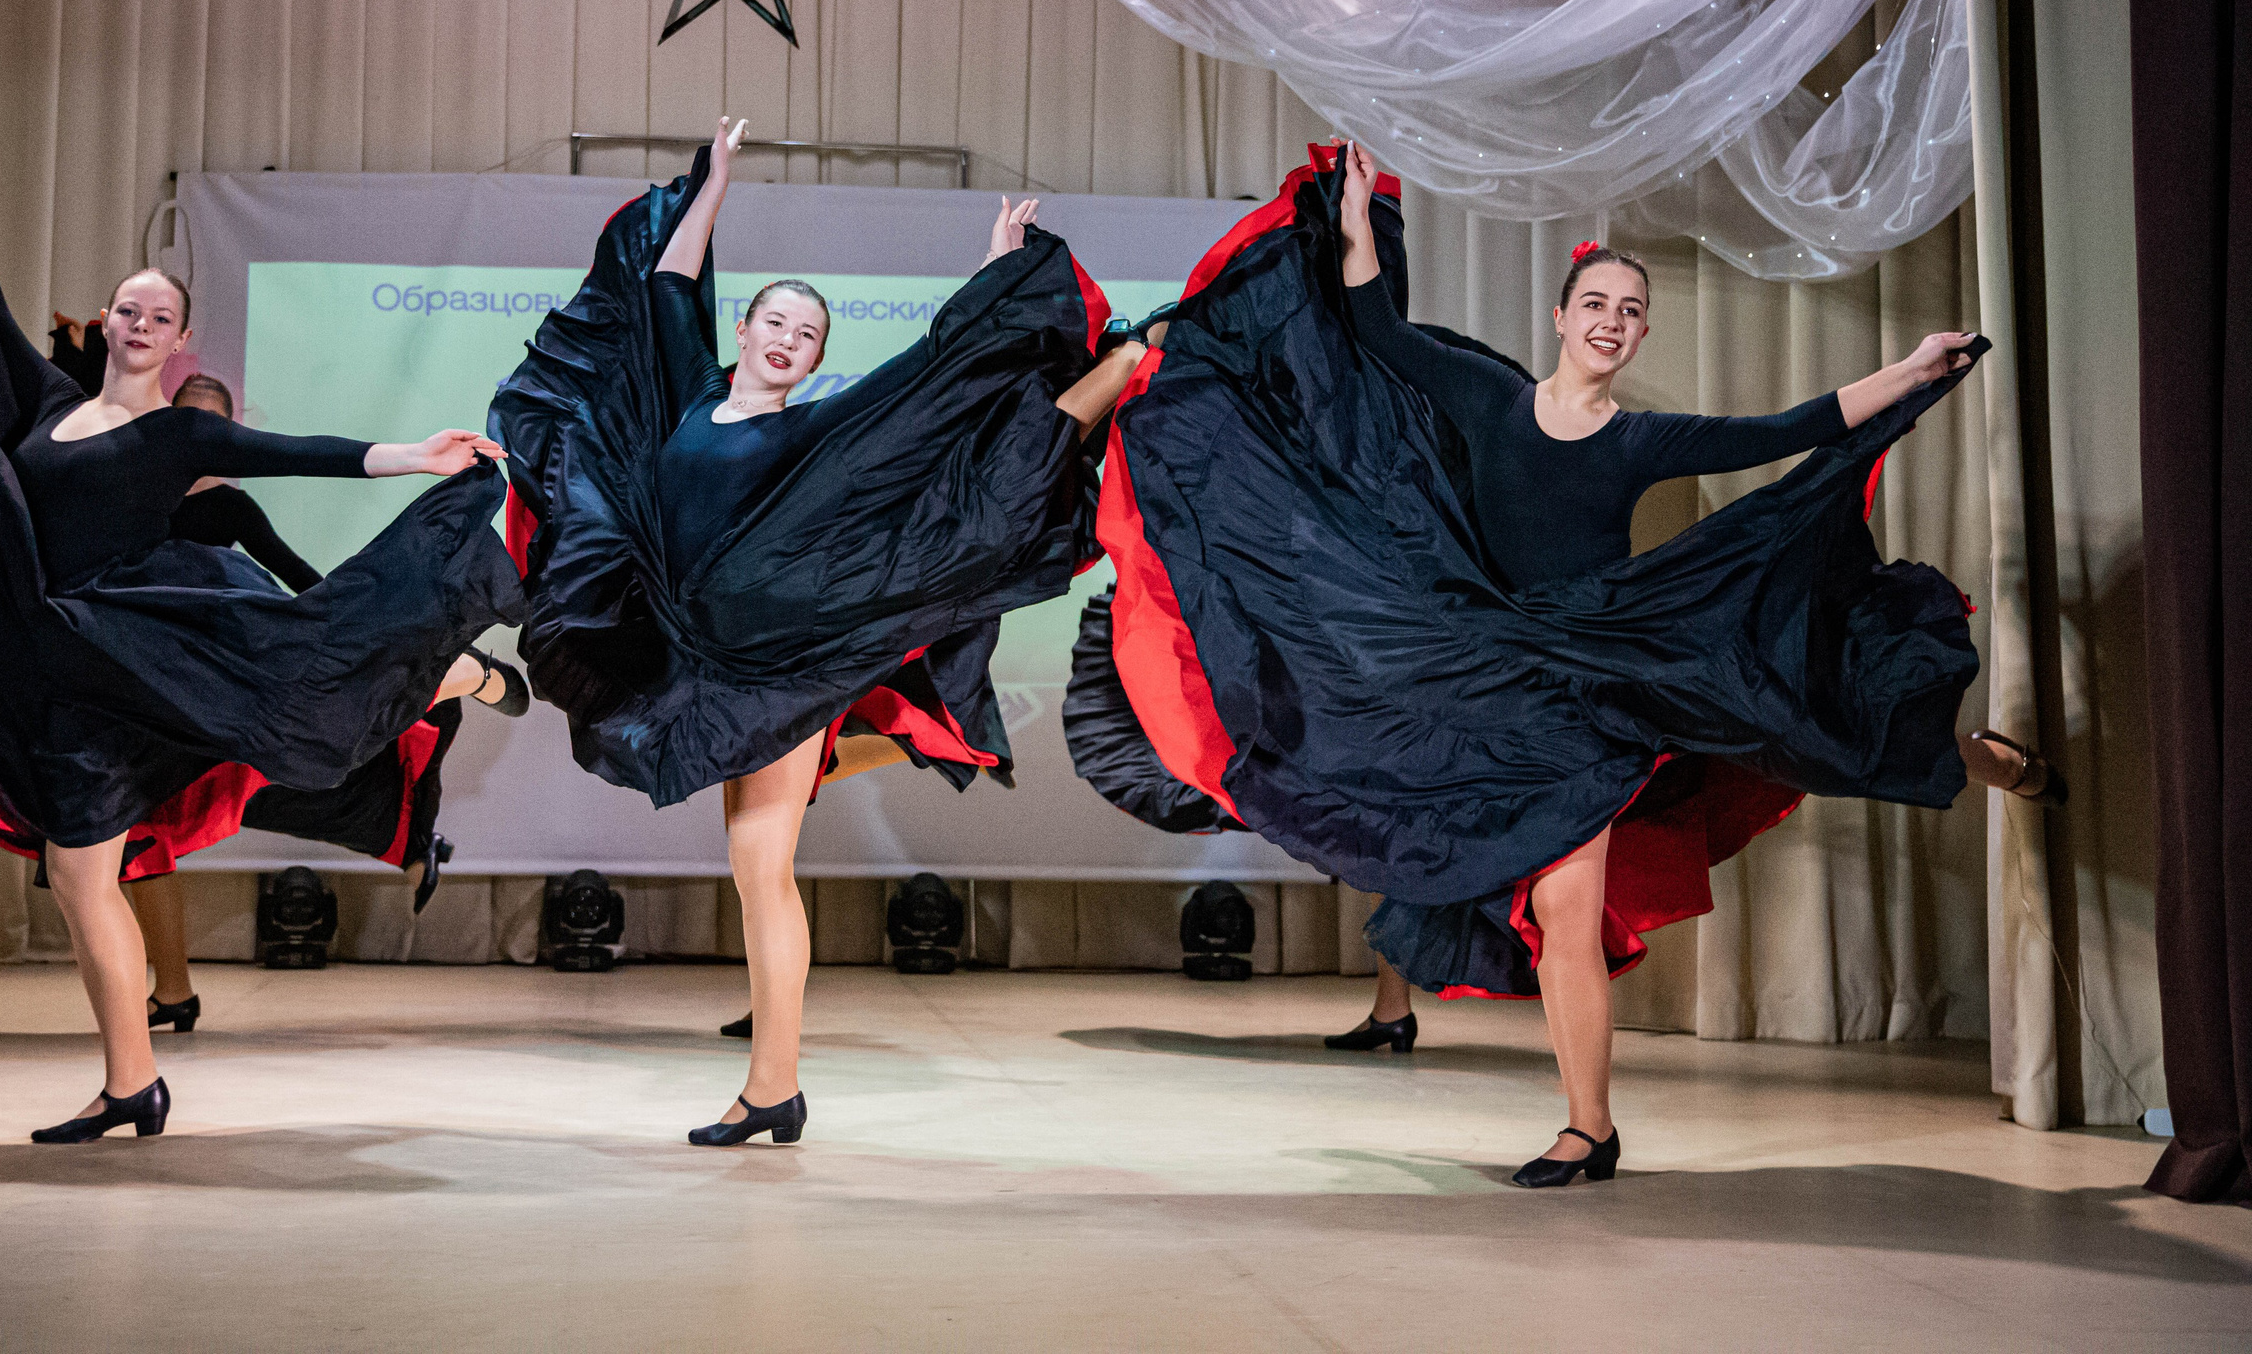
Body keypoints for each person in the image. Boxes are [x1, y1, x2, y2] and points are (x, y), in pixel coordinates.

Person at [1093, 140, 2050, 1189]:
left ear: (1638, 334)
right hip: (1504, 669)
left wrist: (1912, 371)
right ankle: (1590, 1126)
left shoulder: (1639, 440)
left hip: (1609, 666)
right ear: (1561, 317)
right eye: (1596, 303)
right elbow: (1376, 334)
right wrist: (1358, 223)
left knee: (1766, 749)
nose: (1611, 320)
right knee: (1532, 875)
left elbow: (1788, 428)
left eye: (1630, 311)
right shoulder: (1489, 398)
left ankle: (1976, 760)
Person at [0, 103, 524, 1143]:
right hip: (55, 673)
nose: (138, 324)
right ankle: (133, 1082)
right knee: (82, 880)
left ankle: (453, 674)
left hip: (135, 660)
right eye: (128, 309)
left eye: (158, 317)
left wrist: (415, 455)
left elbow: (306, 452)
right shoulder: (43, 403)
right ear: (107, 319)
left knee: (304, 694)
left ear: (179, 340)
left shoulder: (179, 435)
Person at [493, 117, 1149, 1147]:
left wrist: (995, 274)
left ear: (813, 361)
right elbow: (668, 281)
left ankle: (774, 1087)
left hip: (776, 663)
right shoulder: (692, 399)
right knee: (744, 842)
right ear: (747, 327)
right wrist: (715, 181)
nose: (787, 339)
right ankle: (910, 744)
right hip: (691, 656)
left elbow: (930, 381)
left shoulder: (808, 432)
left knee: (761, 865)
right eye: (775, 322)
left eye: (806, 336)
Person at [119, 372, 535, 1032]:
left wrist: (352, 641)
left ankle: (457, 677)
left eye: (213, 427)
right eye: (185, 422)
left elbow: (300, 579)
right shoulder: (133, 499)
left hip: (218, 670)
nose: (197, 438)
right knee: (152, 821)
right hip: (158, 679)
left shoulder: (230, 508)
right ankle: (173, 990)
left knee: (184, 807)